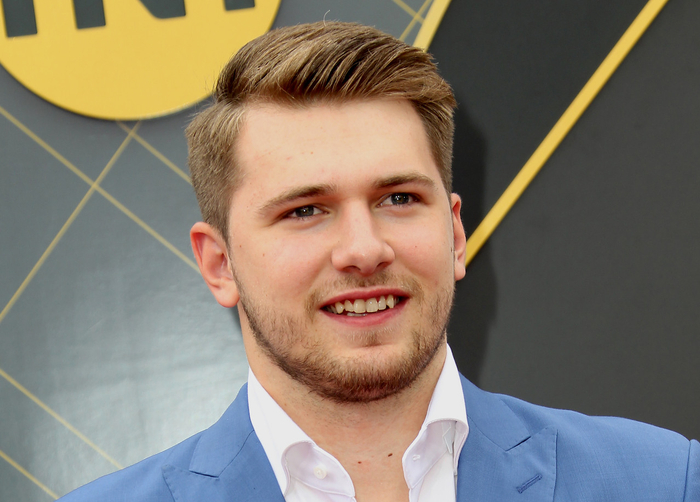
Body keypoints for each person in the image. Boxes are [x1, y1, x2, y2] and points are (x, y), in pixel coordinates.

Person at [60, 21, 698, 502]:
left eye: (398, 198)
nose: (365, 250)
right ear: (219, 263)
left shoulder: (664, 482)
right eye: (305, 210)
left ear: (454, 233)